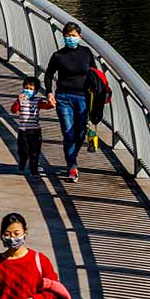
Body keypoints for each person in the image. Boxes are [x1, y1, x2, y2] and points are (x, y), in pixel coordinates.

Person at [44, 22, 95, 183]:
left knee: (80, 133)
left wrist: (100, 95)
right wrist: (49, 93)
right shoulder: (58, 56)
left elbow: (95, 74)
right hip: (64, 98)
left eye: (73, 36)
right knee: (68, 132)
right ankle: (72, 166)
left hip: (83, 98)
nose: (70, 38)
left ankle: (73, 155)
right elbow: (48, 75)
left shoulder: (86, 53)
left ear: (80, 36)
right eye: (67, 36)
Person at [10, 76, 54, 176]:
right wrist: (18, 101)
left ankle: (34, 169)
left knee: (35, 151)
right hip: (23, 131)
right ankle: (22, 164)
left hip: (35, 131)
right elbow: (14, 110)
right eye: (26, 88)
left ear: (35, 91)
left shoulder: (37, 101)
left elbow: (46, 106)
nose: (28, 91)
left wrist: (51, 104)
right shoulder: (21, 100)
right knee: (23, 150)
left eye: (31, 89)